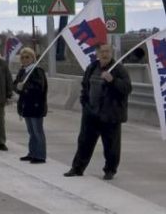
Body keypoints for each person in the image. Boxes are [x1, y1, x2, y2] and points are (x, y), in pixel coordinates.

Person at [64, 44, 132, 180]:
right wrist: (84, 103)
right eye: (102, 51)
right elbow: (85, 86)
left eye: (107, 51)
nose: (105, 54)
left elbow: (127, 88)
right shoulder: (92, 68)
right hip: (91, 113)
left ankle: (110, 170)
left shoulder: (119, 69)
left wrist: (113, 80)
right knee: (84, 142)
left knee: (111, 145)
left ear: (111, 53)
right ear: (97, 53)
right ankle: (77, 168)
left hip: (110, 114)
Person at [13, 47, 48, 164]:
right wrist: (18, 87)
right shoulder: (23, 71)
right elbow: (16, 85)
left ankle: (40, 155)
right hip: (26, 106)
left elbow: (39, 88)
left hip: (36, 106)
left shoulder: (37, 71)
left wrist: (25, 87)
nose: (24, 59)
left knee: (38, 131)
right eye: (22, 57)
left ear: (32, 58)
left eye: (27, 57)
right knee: (31, 132)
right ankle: (32, 153)